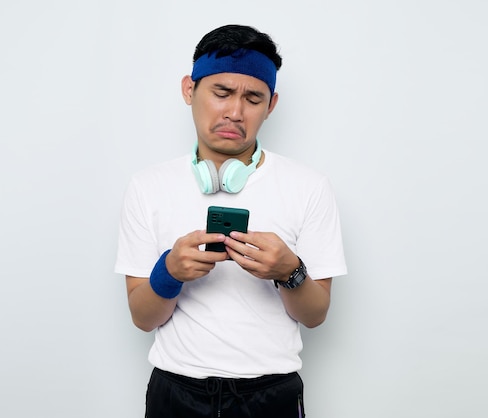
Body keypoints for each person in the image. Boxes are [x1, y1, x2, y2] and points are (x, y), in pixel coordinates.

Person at [115, 24, 347, 418]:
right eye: (221, 93)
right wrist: (169, 271)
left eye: (253, 98)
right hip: (176, 388)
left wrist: (289, 271)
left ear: (271, 105)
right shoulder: (147, 186)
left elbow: (314, 315)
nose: (235, 112)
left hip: (271, 391)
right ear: (190, 90)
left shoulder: (309, 187)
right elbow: (142, 318)